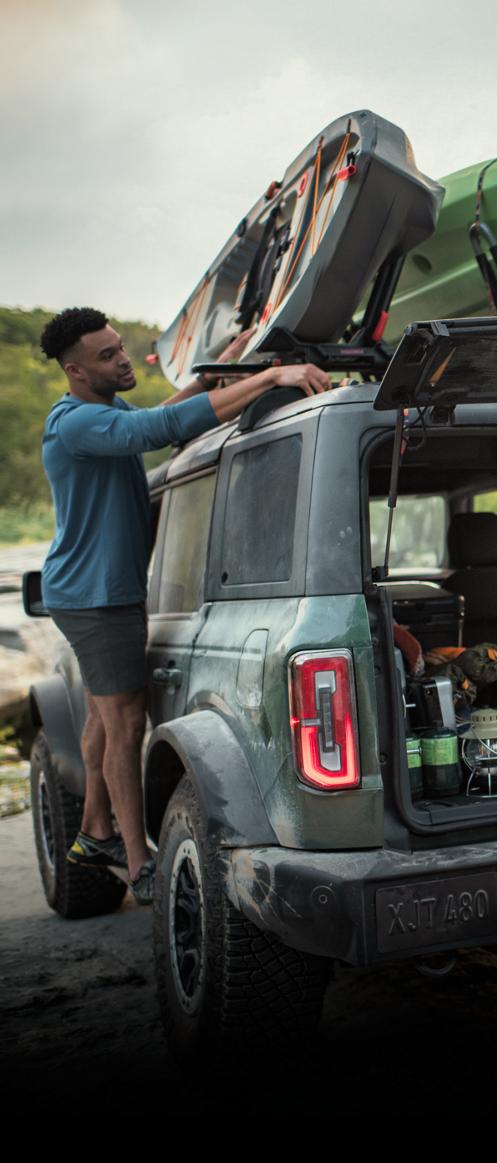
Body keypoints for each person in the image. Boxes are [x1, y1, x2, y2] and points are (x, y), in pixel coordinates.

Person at [38, 306, 330, 903]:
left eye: (121, 348)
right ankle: (139, 860)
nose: (123, 360)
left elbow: (165, 412)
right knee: (125, 722)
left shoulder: (102, 408)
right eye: (108, 356)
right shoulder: (74, 424)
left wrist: (225, 367)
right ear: (74, 370)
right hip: (96, 597)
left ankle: (95, 830)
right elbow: (157, 430)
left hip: (97, 591)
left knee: (101, 715)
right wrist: (270, 378)